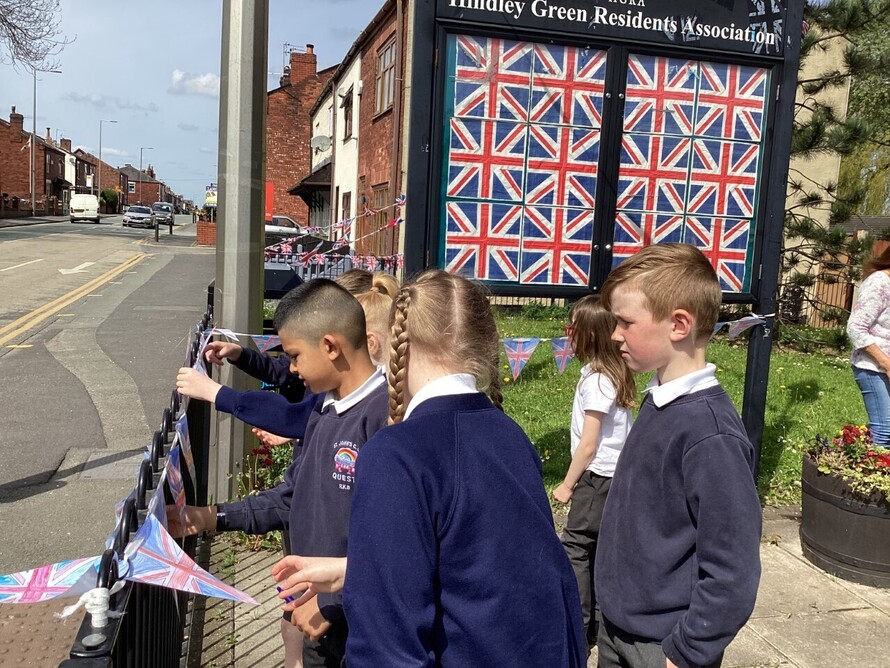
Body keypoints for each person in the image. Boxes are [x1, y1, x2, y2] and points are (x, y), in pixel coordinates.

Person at [326, 269, 585, 666]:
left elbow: (386, 648)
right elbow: (482, 569)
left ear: (398, 344)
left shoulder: (395, 454)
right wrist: (355, 569)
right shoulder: (510, 435)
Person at [170, 278, 389, 668]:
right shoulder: (323, 408)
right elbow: (293, 498)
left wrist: (331, 601)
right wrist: (209, 517)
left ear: (330, 346)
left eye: (294, 355)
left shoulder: (383, 419)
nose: (289, 369)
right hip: (316, 615)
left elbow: (392, 540)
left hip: (356, 625)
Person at [593, 243, 761, 668]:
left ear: (679, 324)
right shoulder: (659, 401)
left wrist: (685, 652)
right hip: (618, 629)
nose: (615, 334)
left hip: (662, 648)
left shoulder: (711, 433)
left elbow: (733, 570)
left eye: (625, 322)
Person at [551, 295, 635, 653]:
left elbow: (589, 443)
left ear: (588, 334)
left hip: (597, 478)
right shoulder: (609, 372)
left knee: (576, 547)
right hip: (614, 478)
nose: (567, 333)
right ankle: (600, 625)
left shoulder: (598, 380)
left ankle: (580, 627)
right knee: (599, 549)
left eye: (572, 327)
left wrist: (567, 485)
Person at [846, 246, 890, 445]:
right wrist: (886, 364)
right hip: (873, 367)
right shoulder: (880, 283)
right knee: (884, 430)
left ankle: (836, 456)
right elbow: (856, 328)